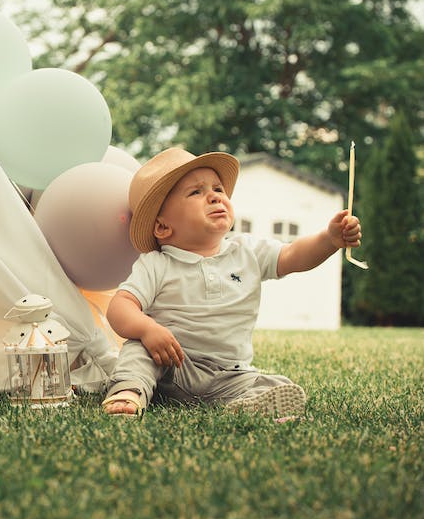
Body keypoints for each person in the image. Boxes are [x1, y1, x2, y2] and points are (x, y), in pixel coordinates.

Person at [102, 147, 362, 418]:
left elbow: (293, 255)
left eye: (218, 189)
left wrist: (329, 240)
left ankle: (243, 406)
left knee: (276, 384)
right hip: (170, 365)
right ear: (163, 227)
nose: (214, 196)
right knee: (138, 348)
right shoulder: (157, 263)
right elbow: (120, 307)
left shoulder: (246, 251)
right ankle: (129, 392)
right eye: (196, 192)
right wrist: (147, 329)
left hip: (229, 374)